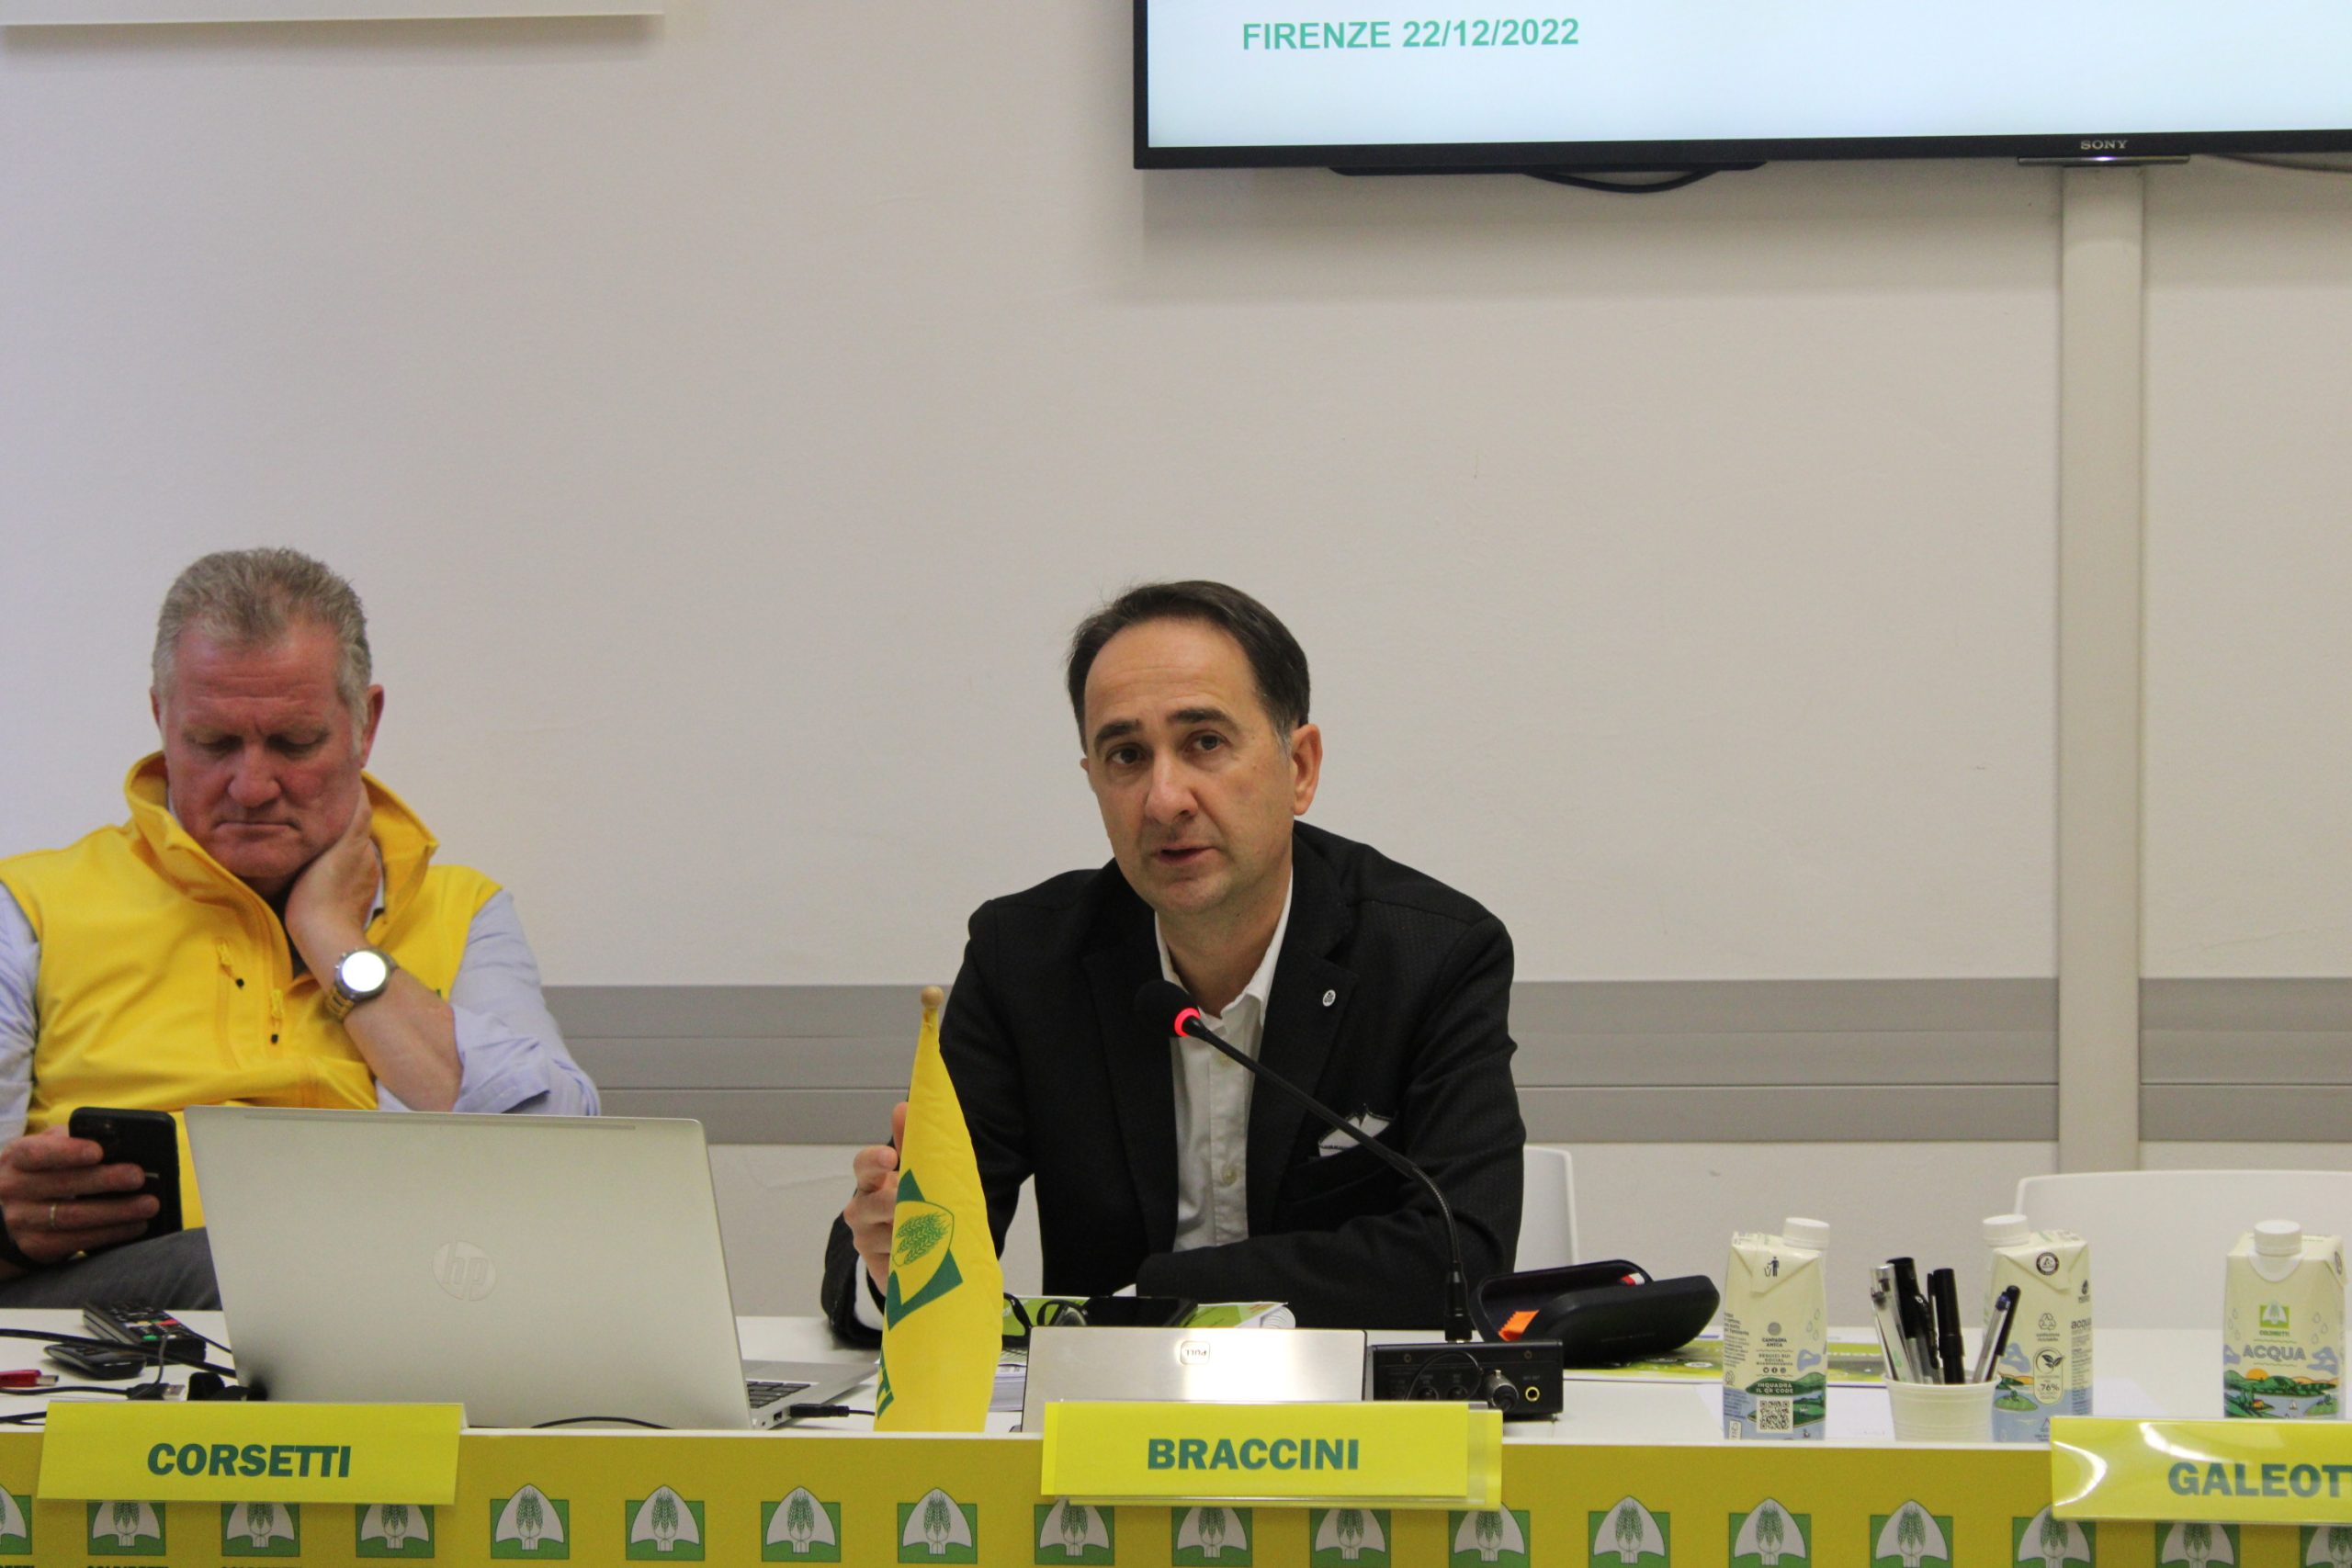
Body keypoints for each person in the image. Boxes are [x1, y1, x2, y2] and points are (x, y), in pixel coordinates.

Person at [824, 581, 1522, 1334]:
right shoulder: (1023, 961)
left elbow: (1459, 1257)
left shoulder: (1432, 955)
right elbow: (904, 1250)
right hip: (1102, 1403)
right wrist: (889, 1262)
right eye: (1126, 755)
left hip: (1348, 1397)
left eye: (1205, 743)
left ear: (1300, 766)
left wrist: (1158, 1297)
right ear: (1094, 781)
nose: (1164, 799)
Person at [0, 548, 598, 1307]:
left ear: (364, 723)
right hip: (102, 1318)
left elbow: (565, 1157)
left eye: (293, 742)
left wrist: (333, 937)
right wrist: (8, 1230)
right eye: (213, 743)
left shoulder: (464, 909)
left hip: (396, 1304)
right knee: (244, 1268)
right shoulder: (29, 905)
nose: (252, 786)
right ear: (160, 718)